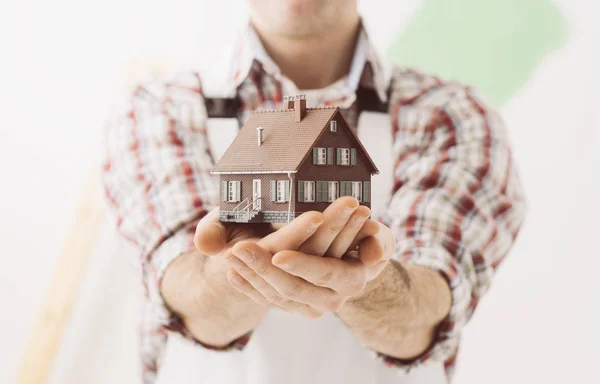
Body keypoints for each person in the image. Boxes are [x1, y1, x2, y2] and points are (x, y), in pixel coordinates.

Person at [102, 0, 526, 383]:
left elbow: (425, 312)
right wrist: (240, 266)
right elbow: (184, 296)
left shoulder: (450, 117)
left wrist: (368, 278)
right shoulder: (159, 109)